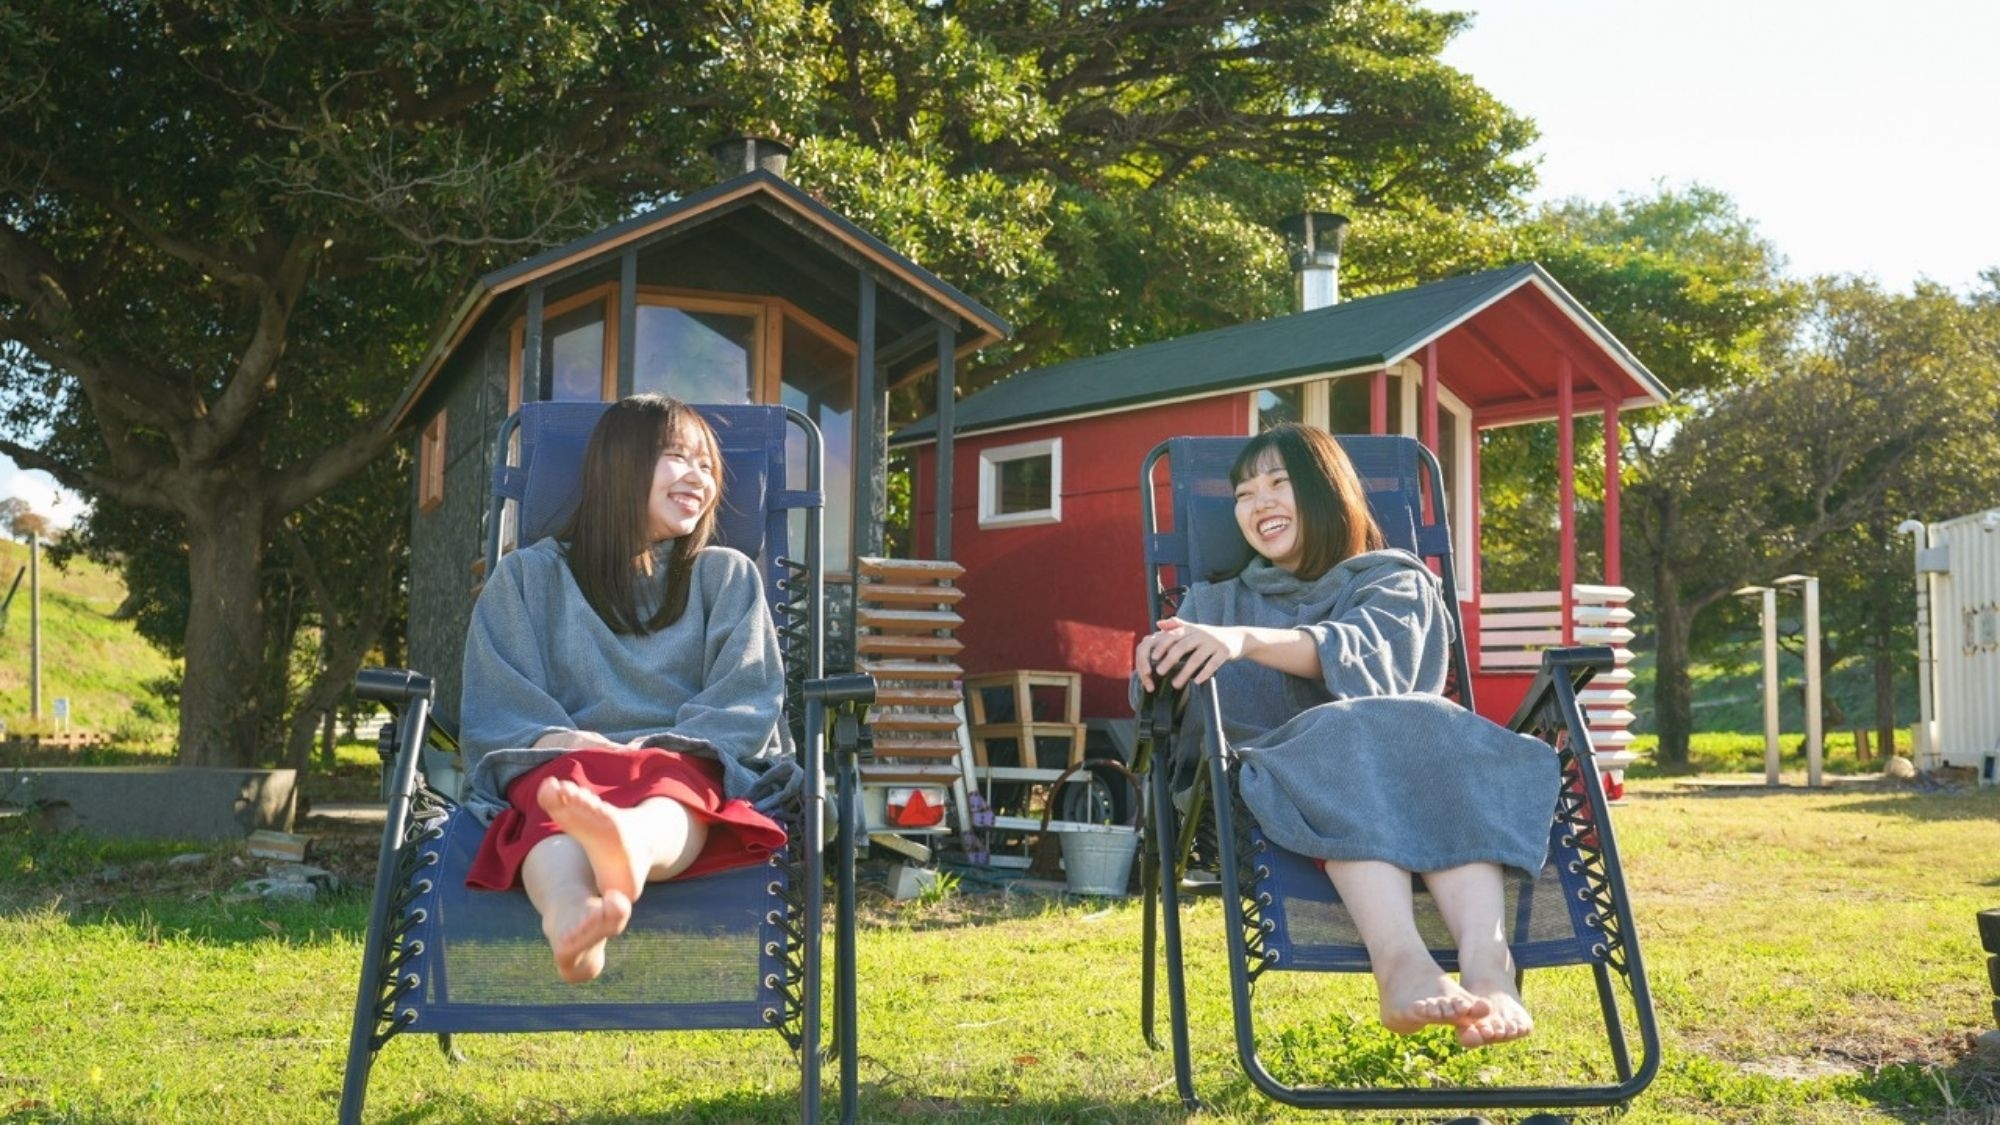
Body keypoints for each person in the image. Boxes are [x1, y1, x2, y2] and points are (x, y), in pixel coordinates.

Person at [1135, 422, 1558, 1049]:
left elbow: (1375, 663)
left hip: (1419, 779)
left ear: (1330, 493)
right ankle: (1403, 965)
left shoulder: (1393, 580)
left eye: (1280, 484)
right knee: (1348, 735)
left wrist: (1247, 643)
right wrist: (1155, 666)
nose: (1259, 504)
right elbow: (1161, 708)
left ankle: (1489, 966)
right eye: (1244, 494)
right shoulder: (1211, 604)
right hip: (1266, 792)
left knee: (1431, 725)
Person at [457, 394, 795, 984]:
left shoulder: (726, 575)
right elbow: (498, 698)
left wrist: (651, 752)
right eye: (677, 457)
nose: (699, 477)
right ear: (620, 465)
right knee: (551, 806)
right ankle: (572, 918)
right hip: (564, 761)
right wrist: (565, 739)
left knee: (672, 796)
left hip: (679, 762)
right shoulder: (527, 578)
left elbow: (746, 695)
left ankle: (628, 849)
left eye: (708, 466)